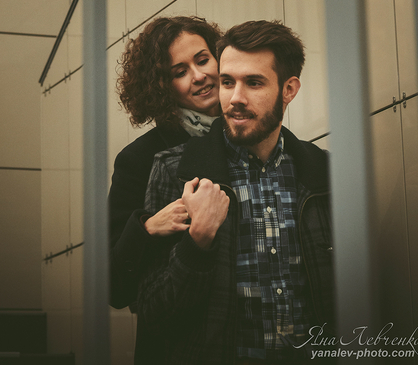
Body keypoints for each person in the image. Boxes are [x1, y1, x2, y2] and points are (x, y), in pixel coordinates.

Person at [136, 20, 334, 364]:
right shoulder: (176, 170)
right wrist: (198, 241)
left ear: (289, 89)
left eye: (254, 83)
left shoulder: (323, 174)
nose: (235, 99)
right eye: (227, 82)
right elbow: (152, 311)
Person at [108, 15, 222, 309]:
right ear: (161, 87)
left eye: (203, 60)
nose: (198, 76)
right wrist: (146, 228)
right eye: (180, 72)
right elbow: (113, 289)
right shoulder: (139, 159)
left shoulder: (252, 134)